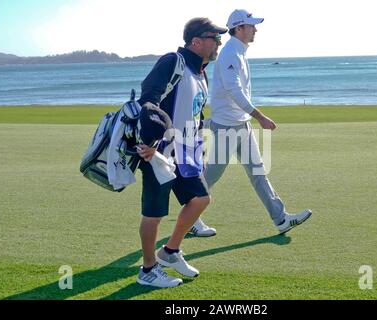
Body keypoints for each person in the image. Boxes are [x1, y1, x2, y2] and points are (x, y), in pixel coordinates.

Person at [190, 9, 312, 237]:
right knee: (210, 177)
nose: (255, 29)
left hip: (240, 124)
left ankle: (281, 218)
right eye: (251, 25)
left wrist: (250, 118)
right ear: (239, 28)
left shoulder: (239, 52)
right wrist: (261, 116)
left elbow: (237, 91)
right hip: (226, 126)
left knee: (258, 172)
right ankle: (190, 219)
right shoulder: (229, 54)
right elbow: (234, 90)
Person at [134, 17, 227, 288]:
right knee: (154, 213)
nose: (219, 43)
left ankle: (170, 252)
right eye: (215, 38)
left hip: (187, 151)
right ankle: (148, 270)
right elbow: (148, 98)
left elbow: (194, 112)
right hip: (159, 151)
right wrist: (150, 141)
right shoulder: (172, 62)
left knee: (200, 199)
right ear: (196, 41)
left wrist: (198, 139)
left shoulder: (200, 71)